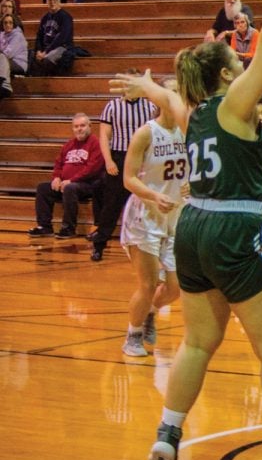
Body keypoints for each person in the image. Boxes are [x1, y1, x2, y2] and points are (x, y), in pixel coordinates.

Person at [110, 0, 262, 460]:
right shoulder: (231, 105)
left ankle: (167, 436)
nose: (244, 61)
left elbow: (170, 99)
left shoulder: (195, 114)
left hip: (194, 227)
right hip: (235, 228)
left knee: (200, 343)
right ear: (228, 76)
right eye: (236, 59)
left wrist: (146, 85)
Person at [119, 78, 186, 357]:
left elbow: (196, 169)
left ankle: (149, 313)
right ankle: (132, 336)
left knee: (174, 288)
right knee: (147, 284)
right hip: (144, 216)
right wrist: (154, 196)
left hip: (175, 216)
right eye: (171, 92)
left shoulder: (188, 131)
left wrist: (194, 182)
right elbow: (128, 179)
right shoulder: (146, 133)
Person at [89, 75, 156, 262]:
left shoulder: (150, 107)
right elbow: (104, 136)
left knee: (146, 202)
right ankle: (99, 244)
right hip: (119, 156)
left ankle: (149, 247)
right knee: (111, 204)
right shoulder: (112, 106)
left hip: (143, 158)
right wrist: (109, 160)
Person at [27, 113, 104, 239]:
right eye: (76, 126)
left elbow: (92, 169)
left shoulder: (96, 143)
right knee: (43, 188)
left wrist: (71, 180)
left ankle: (68, 228)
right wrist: (56, 177)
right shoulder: (69, 145)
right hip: (67, 183)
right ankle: (45, 227)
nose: (79, 129)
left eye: (82, 126)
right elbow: (59, 163)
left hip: (88, 185)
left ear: (90, 126)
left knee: (70, 188)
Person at [32, 0, 74, 76]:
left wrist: (46, 51)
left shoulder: (65, 17)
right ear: (46, 1)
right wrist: (39, 50)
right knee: (30, 57)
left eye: (55, 0)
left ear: (59, 1)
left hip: (61, 47)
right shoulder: (45, 17)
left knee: (47, 59)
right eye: (50, 0)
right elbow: (39, 36)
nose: (52, 2)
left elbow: (62, 37)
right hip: (45, 48)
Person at [0, 13, 27, 96]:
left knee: (2, 57)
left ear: (14, 24)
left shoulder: (18, 36)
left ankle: (5, 85)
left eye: (10, 23)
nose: (8, 25)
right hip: (4, 62)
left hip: (18, 64)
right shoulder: (1, 35)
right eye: (5, 23)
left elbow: (8, 54)